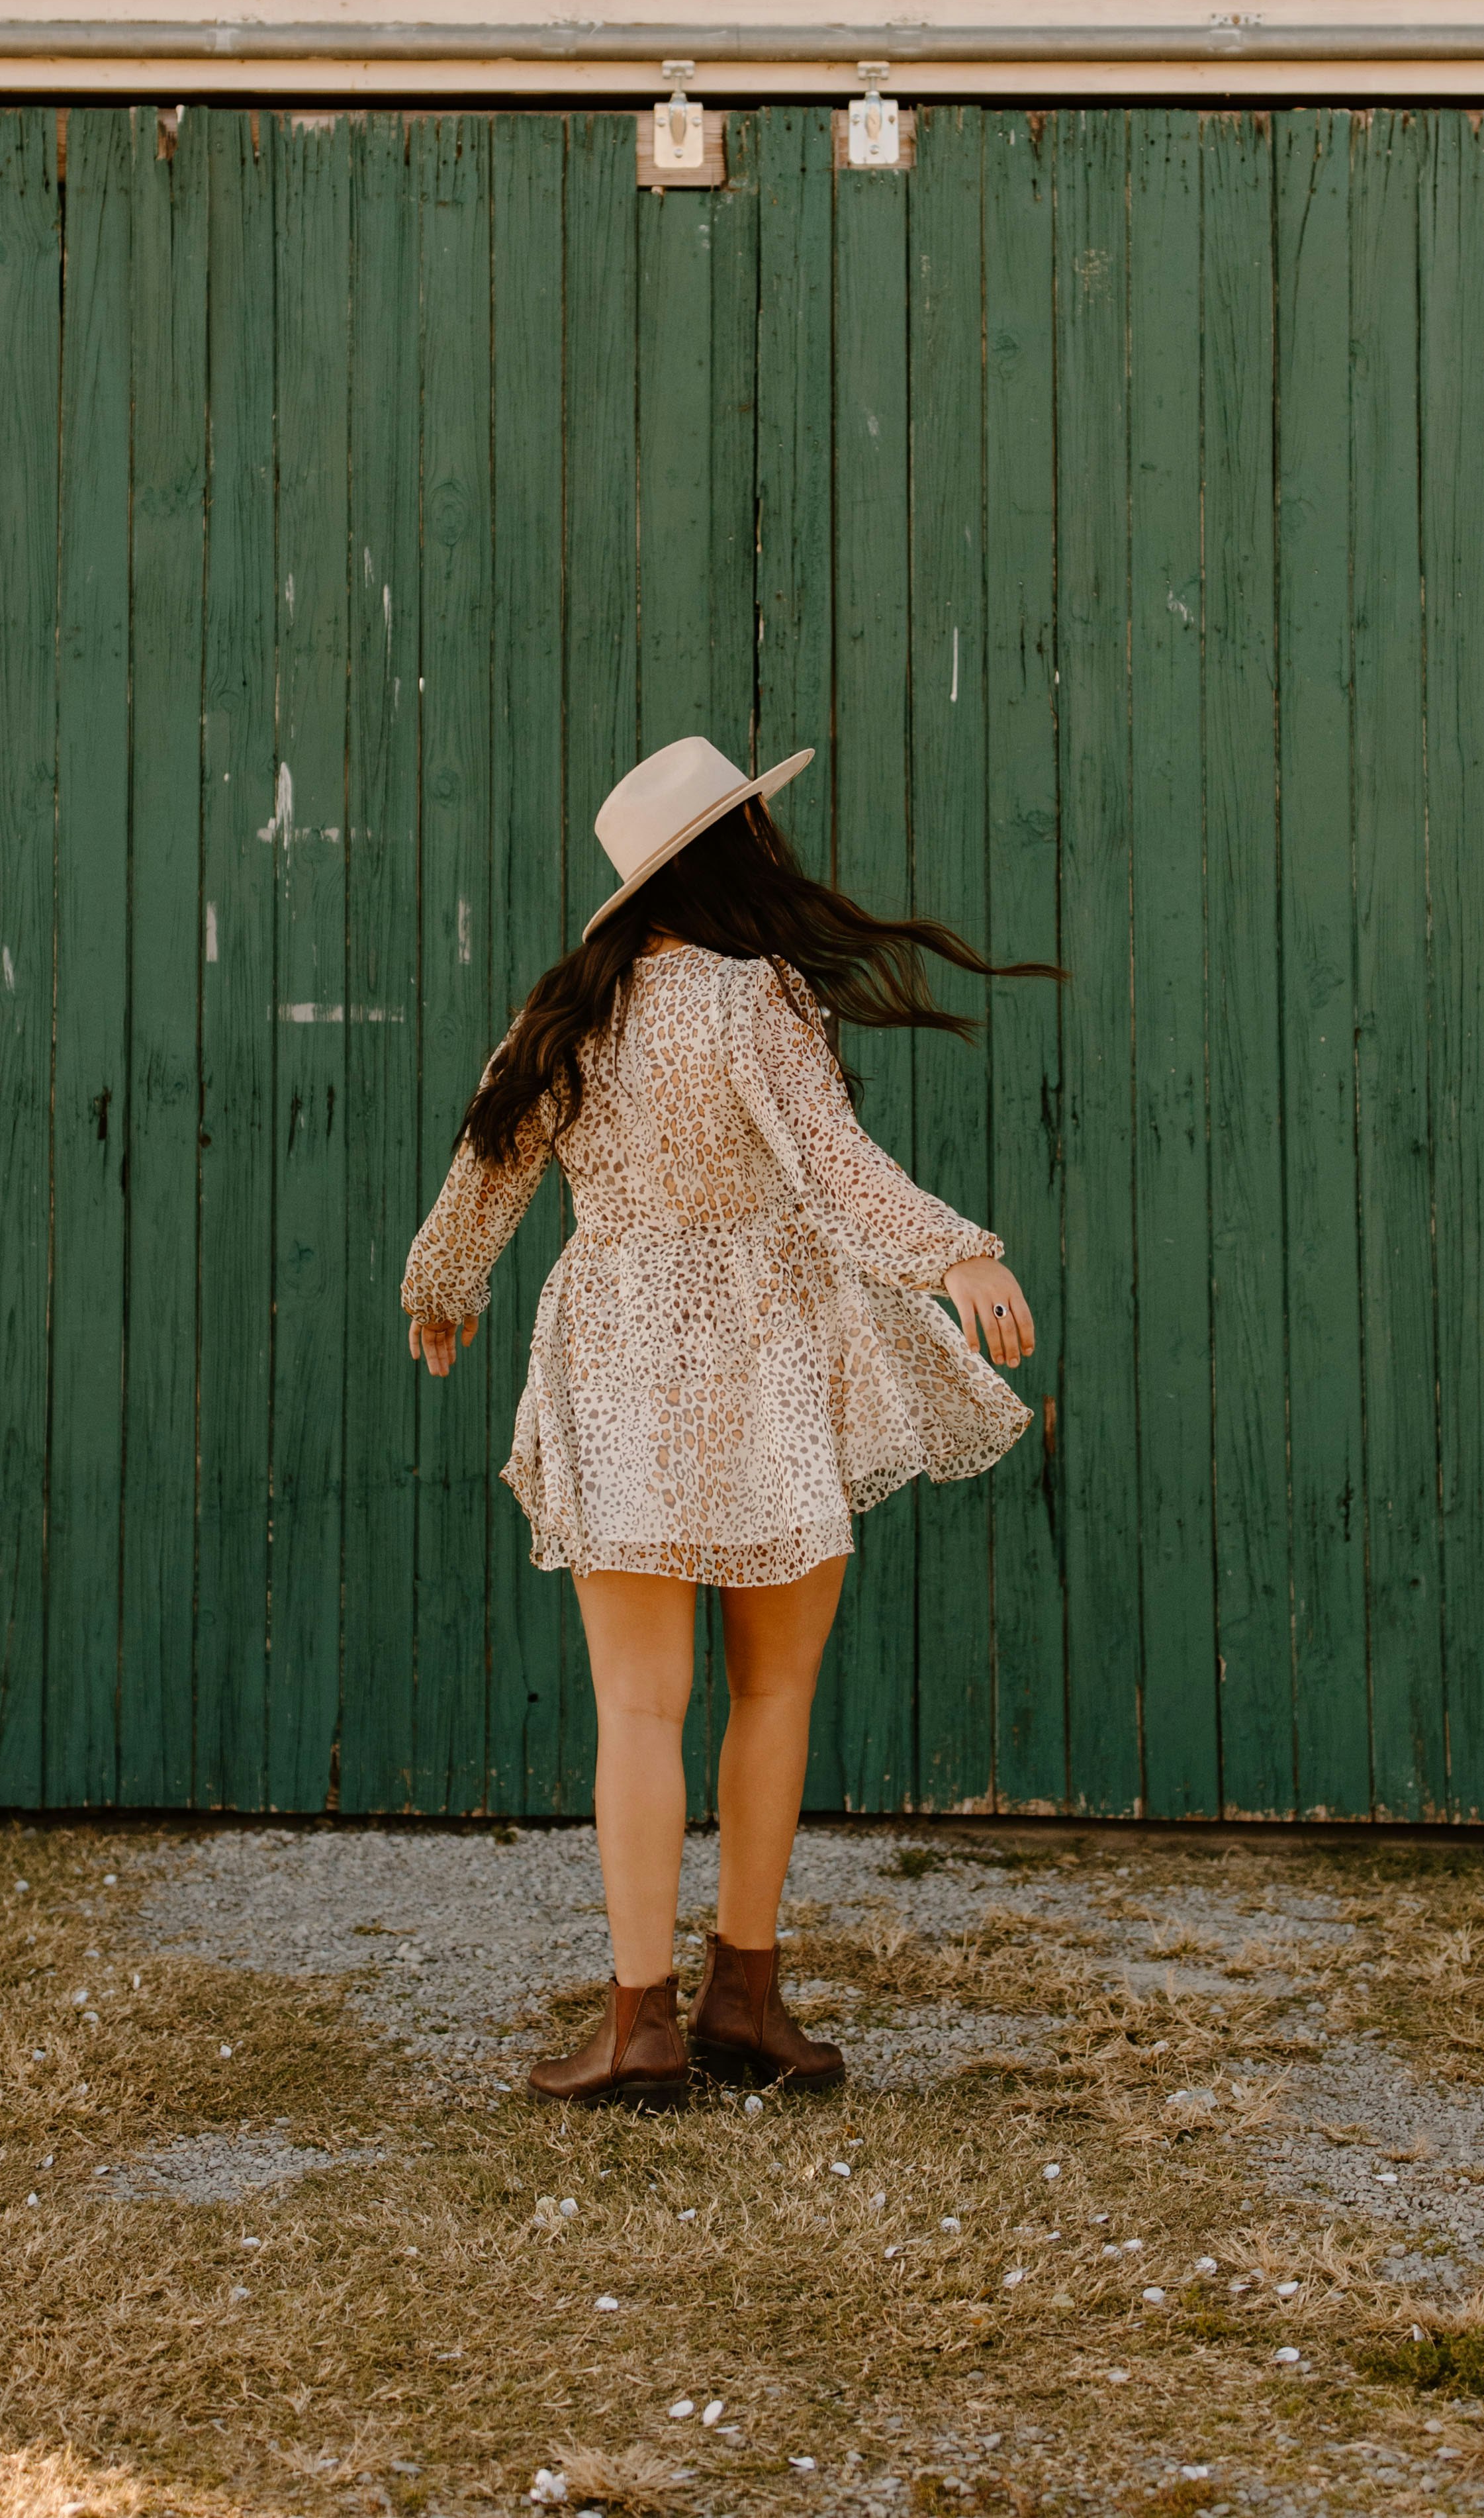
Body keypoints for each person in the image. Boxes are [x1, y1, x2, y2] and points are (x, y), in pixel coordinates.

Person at [400, 733, 1044, 2106]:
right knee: (773, 1687)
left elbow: (487, 1166)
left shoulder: (567, 1014)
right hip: (762, 1359)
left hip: (622, 1354)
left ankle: (640, 2026)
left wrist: (442, 1289)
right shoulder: (756, 1002)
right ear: (730, 851)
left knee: (637, 1705)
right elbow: (835, 1171)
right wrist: (956, 1253)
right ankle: (743, 1996)